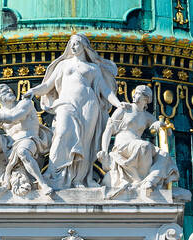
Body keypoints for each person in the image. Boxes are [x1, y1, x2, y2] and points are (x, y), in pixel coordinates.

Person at [24, 33, 123, 188]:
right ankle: (52, 172)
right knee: (62, 133)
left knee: (85, 142)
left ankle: (80, 179)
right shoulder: (63, 65)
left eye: (77, 43)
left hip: (89, 105)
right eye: (71, 44)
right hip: (66, 102)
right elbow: (48, 85)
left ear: (84, 46)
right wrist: (33, 91)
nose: (73, 46)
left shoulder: (93, 68)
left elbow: (105, 90)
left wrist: (119, 104)